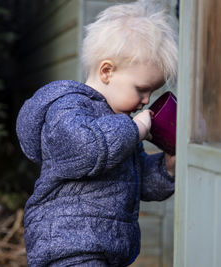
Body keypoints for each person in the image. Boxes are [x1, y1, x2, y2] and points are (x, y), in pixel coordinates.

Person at [16, 1, 178, 266]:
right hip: (68, 245)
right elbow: (87, 148)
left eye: (152, 92)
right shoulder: (67, 107)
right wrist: (137, 128)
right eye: (141, 89)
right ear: (107, 71)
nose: (146, 100)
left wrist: (167, 170)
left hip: (106, 246)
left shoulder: (119, 122)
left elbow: (138, 181)